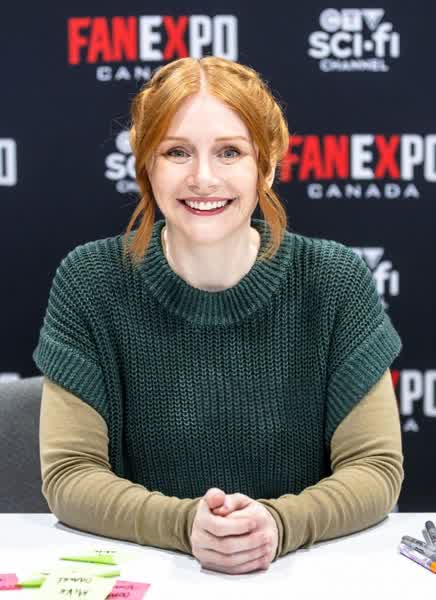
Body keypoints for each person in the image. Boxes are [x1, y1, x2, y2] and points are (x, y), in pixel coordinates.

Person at [33, 56, 404, 576]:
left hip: (299, 576)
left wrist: (278, 524)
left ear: (266, 167)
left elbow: (375, 468)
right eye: (177, 152)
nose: (203, 178)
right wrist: (185, 525)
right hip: (149, 575)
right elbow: (70, 474)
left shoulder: (334, 279)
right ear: (146, 166)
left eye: (230, 152)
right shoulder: (88, 280)